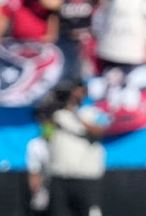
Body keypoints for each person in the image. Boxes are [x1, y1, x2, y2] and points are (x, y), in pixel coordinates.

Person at [46, 82, 107, 216]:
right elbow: (47, 136)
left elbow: (100, 131)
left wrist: (76, 114)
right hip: (60, 178)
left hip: (86, 179)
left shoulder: (94, 112)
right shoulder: (58, 115)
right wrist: (50, 115)